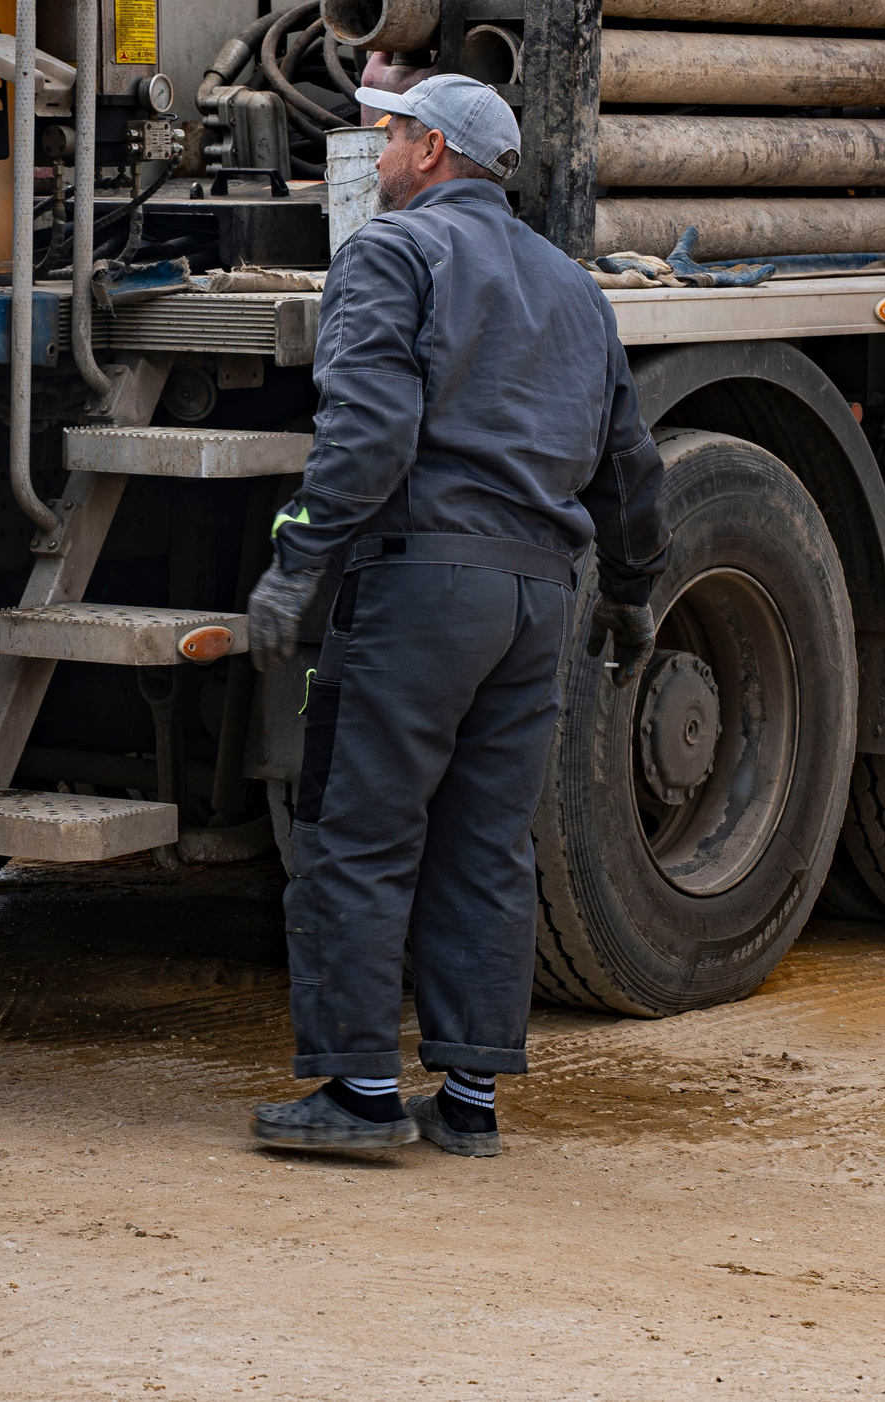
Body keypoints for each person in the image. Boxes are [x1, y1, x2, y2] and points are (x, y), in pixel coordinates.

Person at [241, 72, 669, 1157]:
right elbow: (628, 465)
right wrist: (628, 590)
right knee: (486, 844)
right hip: (536, 599)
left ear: (431, 150)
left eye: (387, 134)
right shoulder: (575, 289)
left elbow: (368, 435)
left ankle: (359, 1092)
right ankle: (469, 1100)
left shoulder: (391, 254)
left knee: (359, 829)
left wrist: (295, 562)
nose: (375, 153)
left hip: (423, 587)